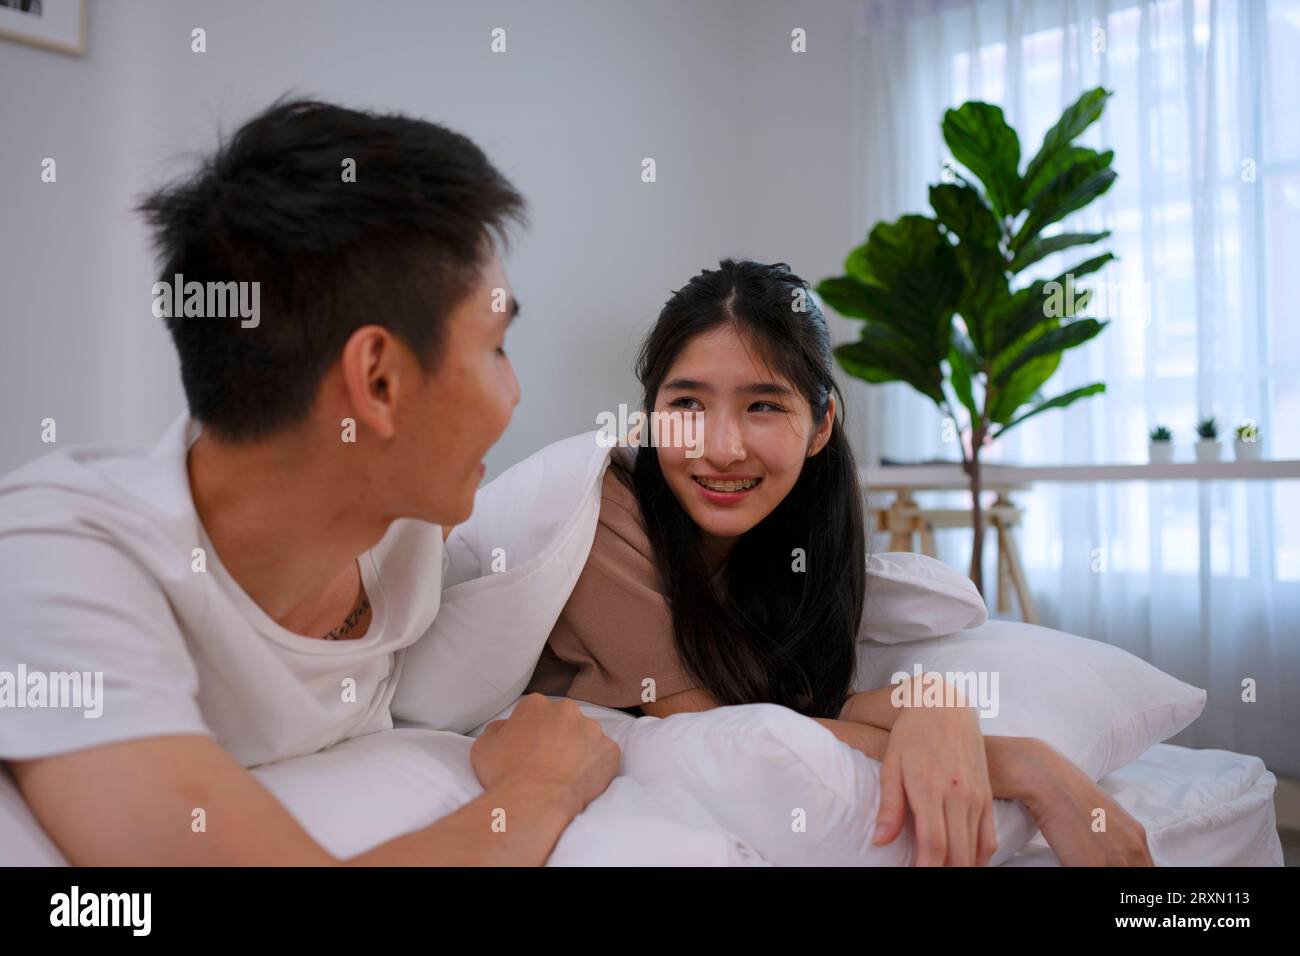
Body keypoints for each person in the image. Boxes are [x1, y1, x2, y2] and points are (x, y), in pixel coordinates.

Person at [0, 98, 619, 865]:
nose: (515, 393)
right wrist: (539, 789)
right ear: (379, 382)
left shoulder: (402, 525)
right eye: (496, 347)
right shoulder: (60, 561)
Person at [525, 258, 1154, 866]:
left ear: (821, 423)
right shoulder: (602, 513)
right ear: (651, 418)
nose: (720, 448)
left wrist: (937, 704)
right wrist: (1030, 768)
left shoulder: (792, 545)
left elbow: (811, 706)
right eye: (687, 404)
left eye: (764, 406)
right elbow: (725, 727)